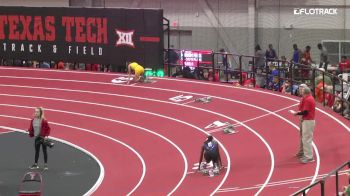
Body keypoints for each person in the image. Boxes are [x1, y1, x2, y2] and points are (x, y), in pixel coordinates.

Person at [291, 85, 316, 164]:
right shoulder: (305, 98)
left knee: (306, 139)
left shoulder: (308, 99)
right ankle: (302, 152)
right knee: (303, 137)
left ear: (304, 92)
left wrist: (297, 114)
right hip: (305, 120)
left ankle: (309, 157)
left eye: (301, 90)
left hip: (308, 121)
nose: (300, 91)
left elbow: (305, 112)